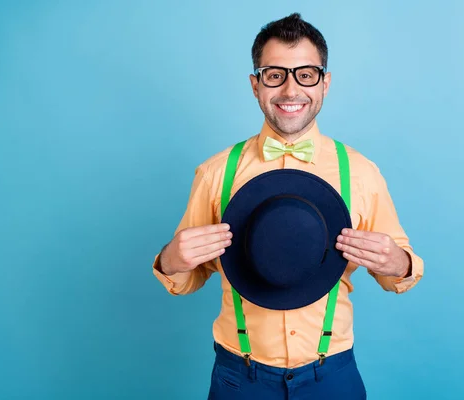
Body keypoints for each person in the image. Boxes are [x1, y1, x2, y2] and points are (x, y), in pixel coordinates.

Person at [152, 13, 424, 399]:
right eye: (275, 74)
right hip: (239, 379)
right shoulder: (216, 173)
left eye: (306, 74)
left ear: (325, 83)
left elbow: (399, 273)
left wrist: (398, 262)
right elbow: (187, 275)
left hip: (332, 377)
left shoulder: (361, 173)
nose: (291, 89)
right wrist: (170, 260)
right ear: (255, 85)